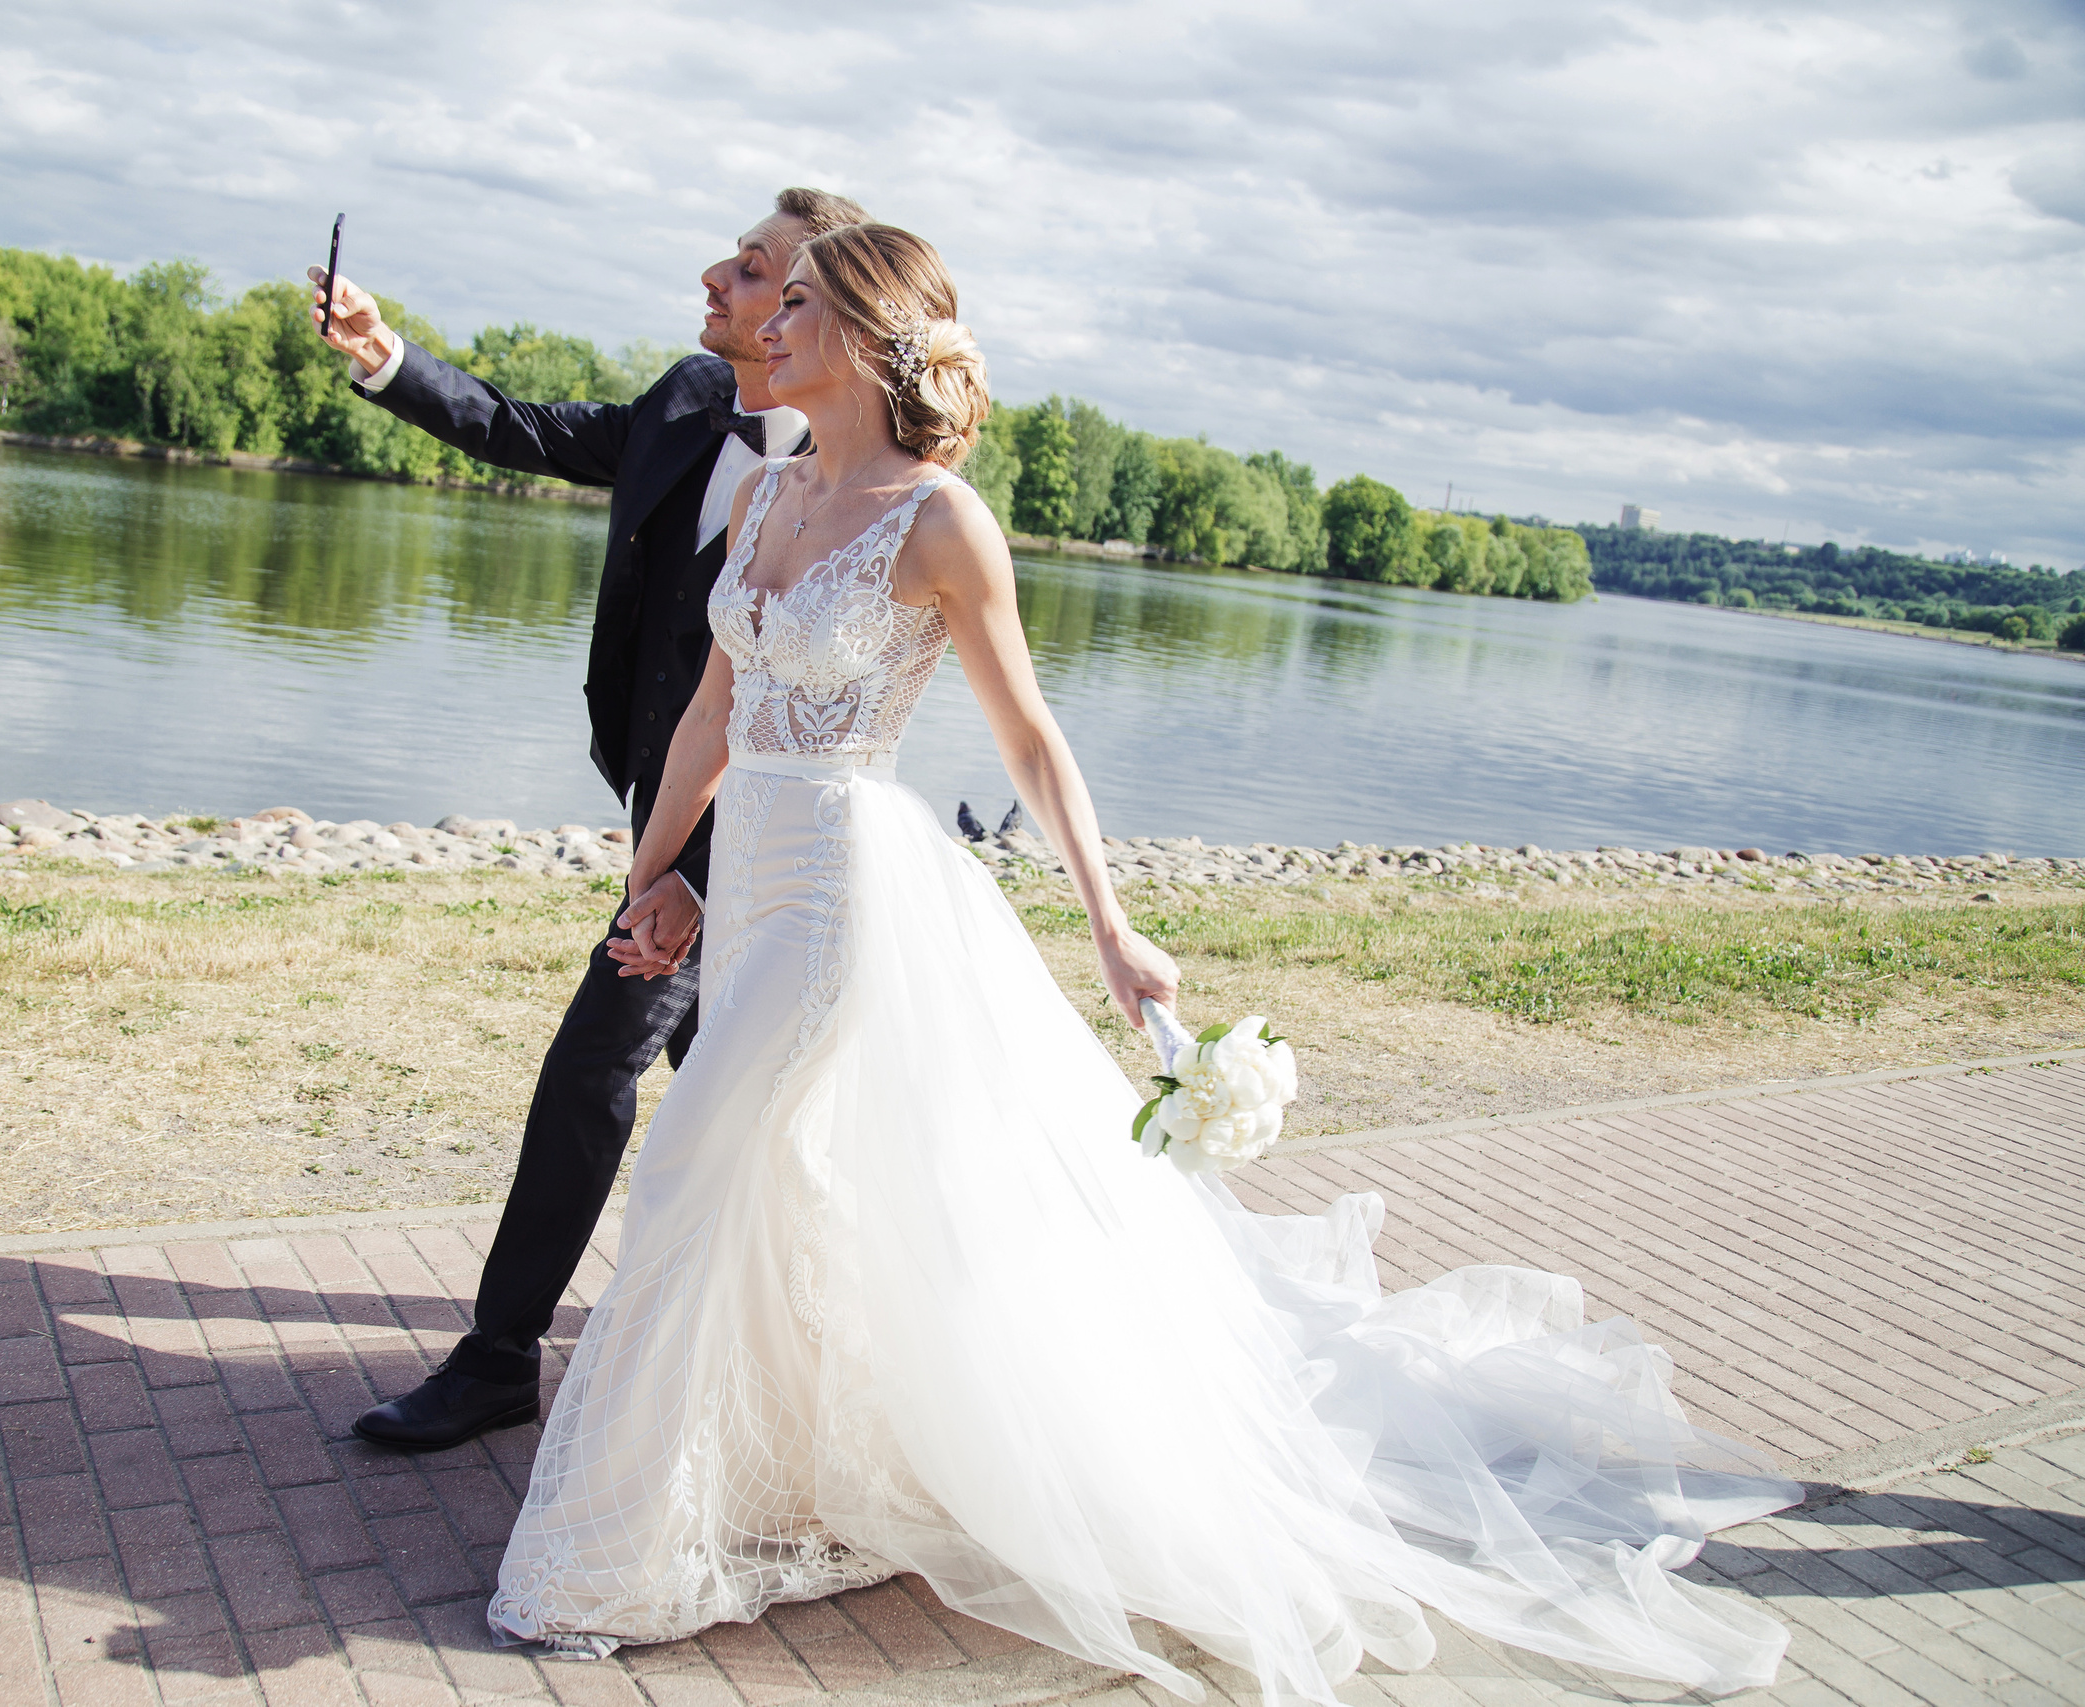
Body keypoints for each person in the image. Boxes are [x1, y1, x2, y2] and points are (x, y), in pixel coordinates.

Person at [481, 223, 1801, 1704]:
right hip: (756, 888)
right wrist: (653, 878)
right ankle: (795, 1474)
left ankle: (619, 1546)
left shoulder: (937, 521)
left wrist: (1111, 925)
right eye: (770, 299)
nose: (767, 323)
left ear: (868, 336)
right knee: (787, 1187)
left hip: (853, 894)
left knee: (707, 1158)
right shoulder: (778, 487)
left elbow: (1032, 736)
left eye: (796, 303)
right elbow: (712, 715)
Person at [310, 188, 870, 1450]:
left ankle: (502, 1357)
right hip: (660, 806)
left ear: (813, 307)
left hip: (766, 837)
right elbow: (524, 427)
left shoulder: (863, 472)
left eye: (751, 269)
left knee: (590, 1073)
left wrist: (684, 877)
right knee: (742, 1103)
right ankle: (782, 1342)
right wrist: (386, 359)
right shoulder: (682, 404)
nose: (716, 280)